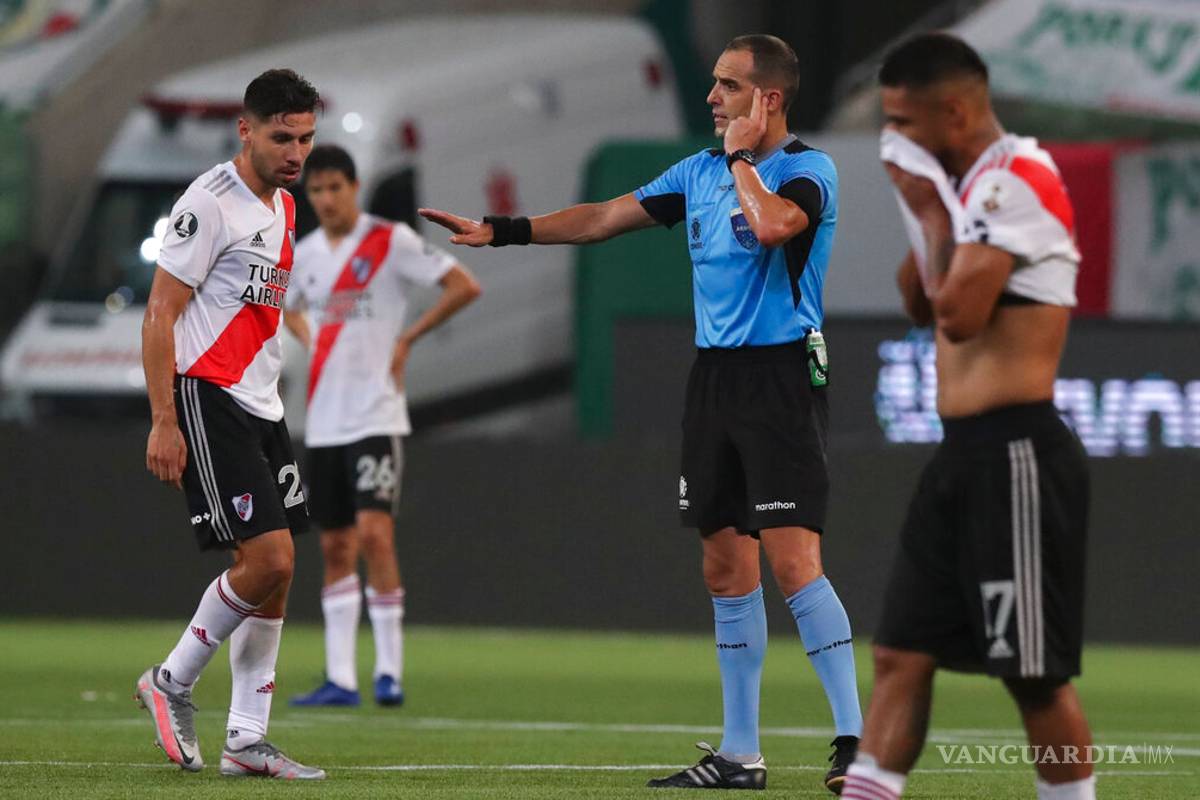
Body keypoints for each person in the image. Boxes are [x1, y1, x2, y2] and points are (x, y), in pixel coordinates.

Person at [420, 34, 862, 795]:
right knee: (726, 567)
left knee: (794, 565)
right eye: (716, 85)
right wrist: (504, 231)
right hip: (715, 382)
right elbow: (600, 219)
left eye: (728, 86)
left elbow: (771, 228)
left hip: (781, 378)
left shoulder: (806, 171)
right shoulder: (696, 172)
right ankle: (739, 754)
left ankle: (856, 742)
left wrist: (740, 158)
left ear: (769, 99)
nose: (711, 98)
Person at [841, 33, 1094, 800]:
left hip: (1018, 451)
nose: (895, 142)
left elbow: (958, 313)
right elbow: (917, 300)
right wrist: (926, 214)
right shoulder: (965, 187)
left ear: (954, 111)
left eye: (904, 123)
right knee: (900, 654)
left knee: (1032, 677)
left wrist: (924, 205)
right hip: (960, 454)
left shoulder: (1018, 178)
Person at [136, 68, 325, 780]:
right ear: (244, 129)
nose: (297, 152)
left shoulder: (282, 205)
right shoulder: (208, 203)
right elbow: (160, 312)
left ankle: (247, 740)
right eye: (283, 136)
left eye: (306, 137)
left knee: (279, 575)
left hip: (260, 401)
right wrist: (163, 418)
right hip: (207, 395)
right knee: (268, 558)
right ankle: (172, 681)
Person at [282, 144, 482, 708]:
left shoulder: (388, 240)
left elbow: (464, 284)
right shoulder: (307, 253)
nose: (324, 199)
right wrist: (310, 338)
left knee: (375, 536)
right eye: (315, 190)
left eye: (333, 188)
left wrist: (408, 338)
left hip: (375, 413)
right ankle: (341, 678)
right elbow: (287, 306)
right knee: (338, 545)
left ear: (354, 186)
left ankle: (389, 670)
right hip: (323, 419)